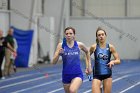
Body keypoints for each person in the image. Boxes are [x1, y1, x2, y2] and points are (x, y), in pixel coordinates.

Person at [51, 27, 92, 93]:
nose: (68, 35)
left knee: (72, 90)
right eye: (67, 33)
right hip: (66, 75)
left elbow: (87, 52)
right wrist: (59, 54)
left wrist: (88, 66)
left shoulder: (79, 45)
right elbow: (53, 62)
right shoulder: (61, 45)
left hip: (77, 74)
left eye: (70, 33)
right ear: (65, 35)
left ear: (74, 35)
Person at [89, 27, 120, 93]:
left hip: (107, 74)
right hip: (97, 74)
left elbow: (118, 60)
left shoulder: (110, 47)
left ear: (105, 35)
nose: (101, 36)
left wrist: (113, 61)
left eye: (102, 34)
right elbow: (87, 56)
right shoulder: (94, 47)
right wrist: (88, 66)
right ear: (97, 37)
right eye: (99, 35)